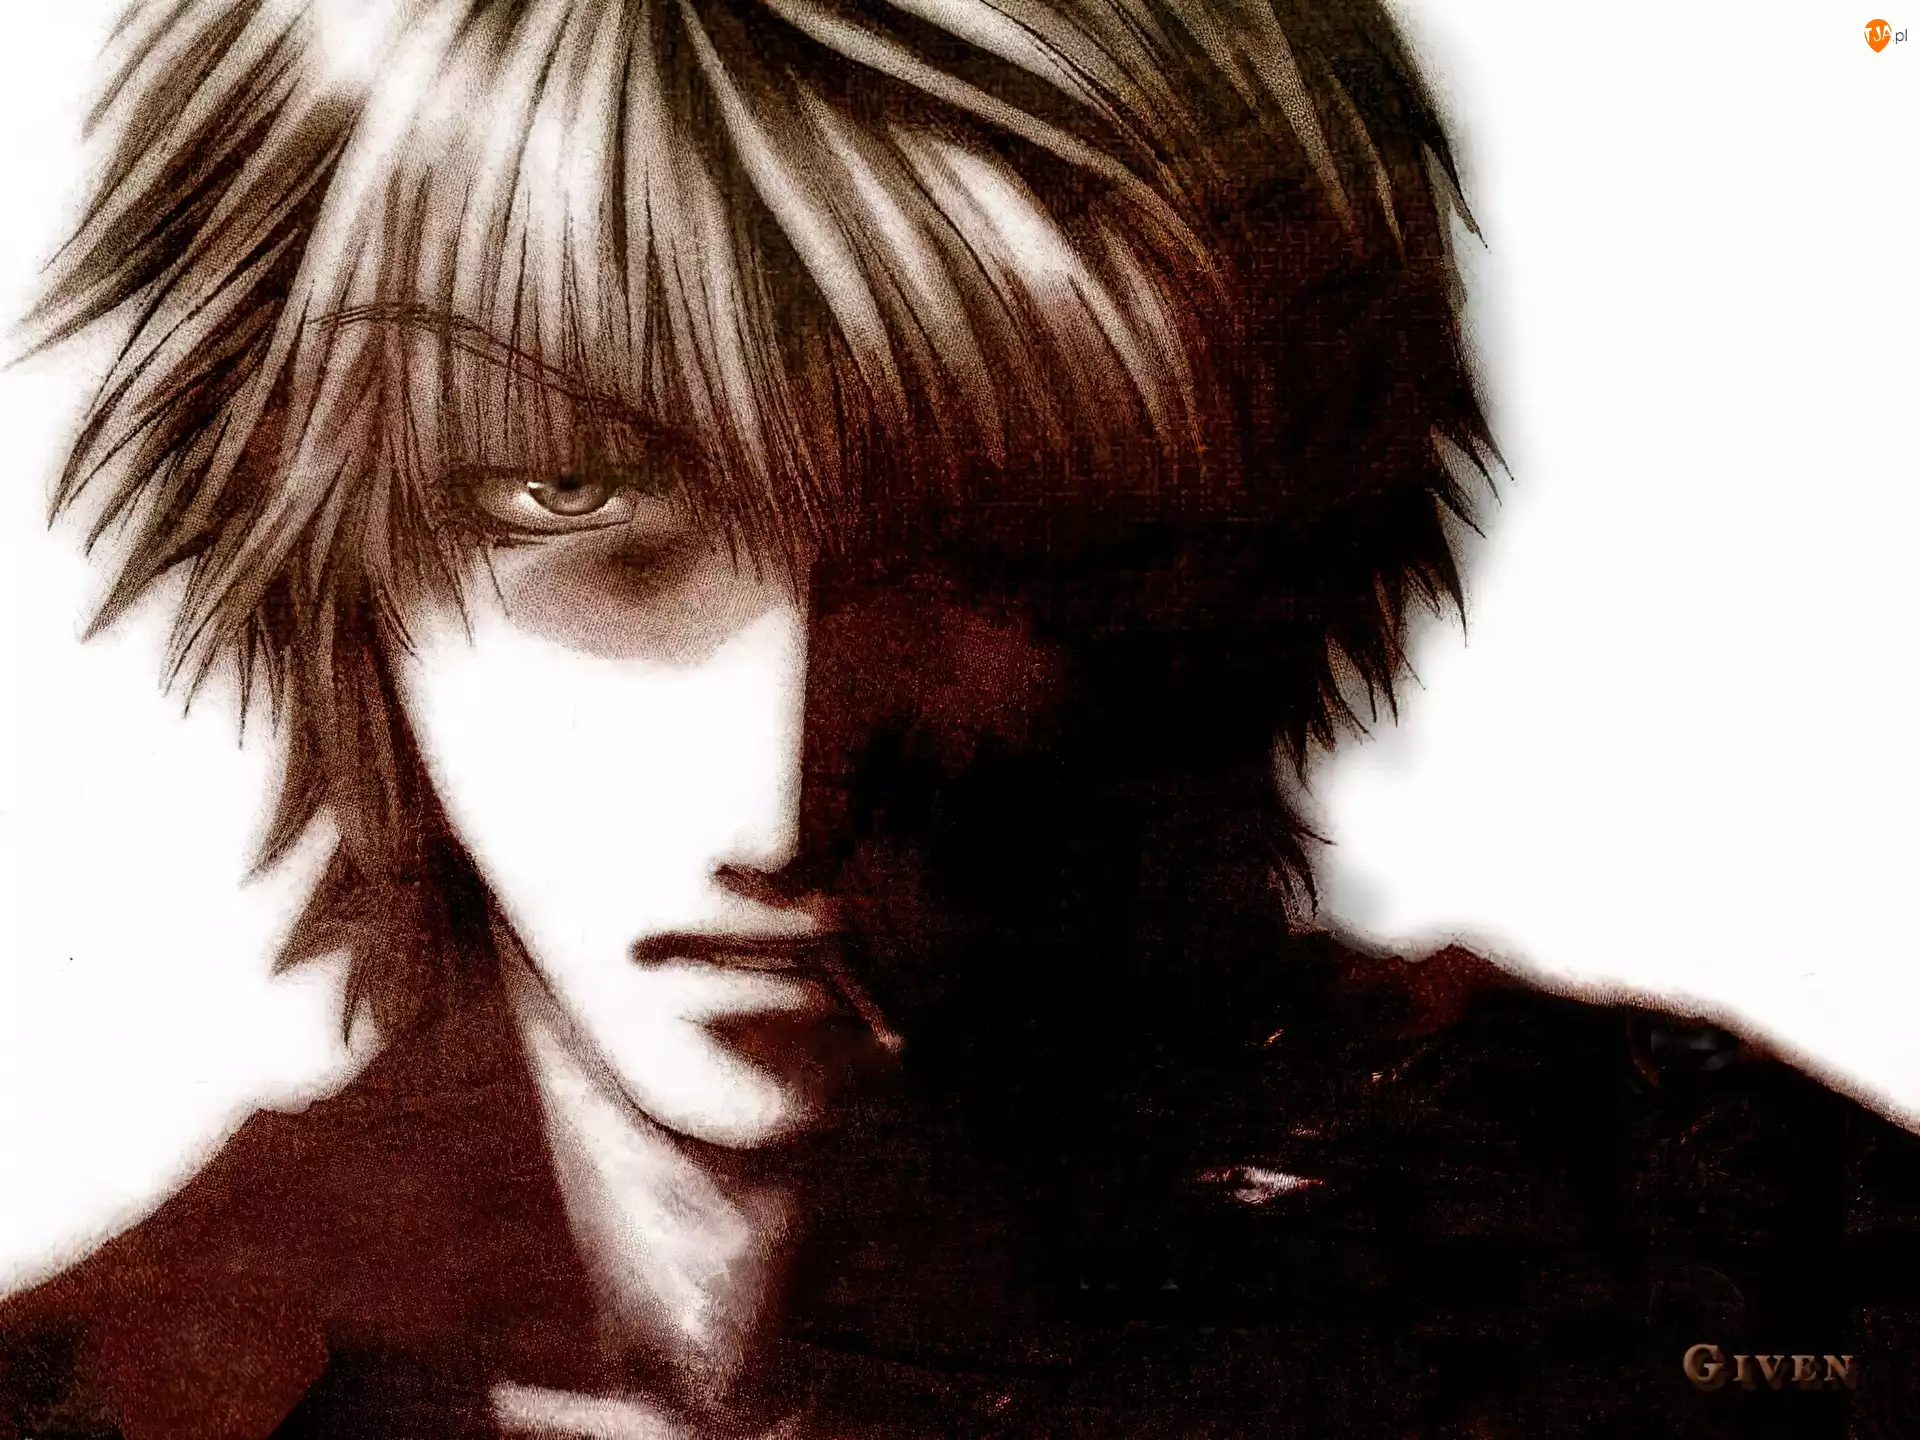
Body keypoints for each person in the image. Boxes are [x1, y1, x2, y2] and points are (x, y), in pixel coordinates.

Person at [3, 1, 1916, 1436]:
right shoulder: (116, 1391)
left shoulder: (1726, 1260)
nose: (781, 793)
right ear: (319, 551)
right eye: (578, 510)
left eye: (972, 544)